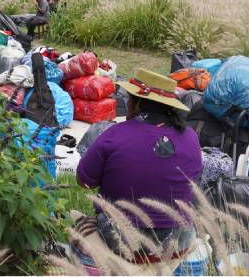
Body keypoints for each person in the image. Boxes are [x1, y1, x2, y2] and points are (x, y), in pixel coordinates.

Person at [76, 68, 201, 258]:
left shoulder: (114, 134)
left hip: (122, 239)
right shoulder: (191, 137)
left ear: (136, 103)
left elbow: (84, 181)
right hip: (178, 242)